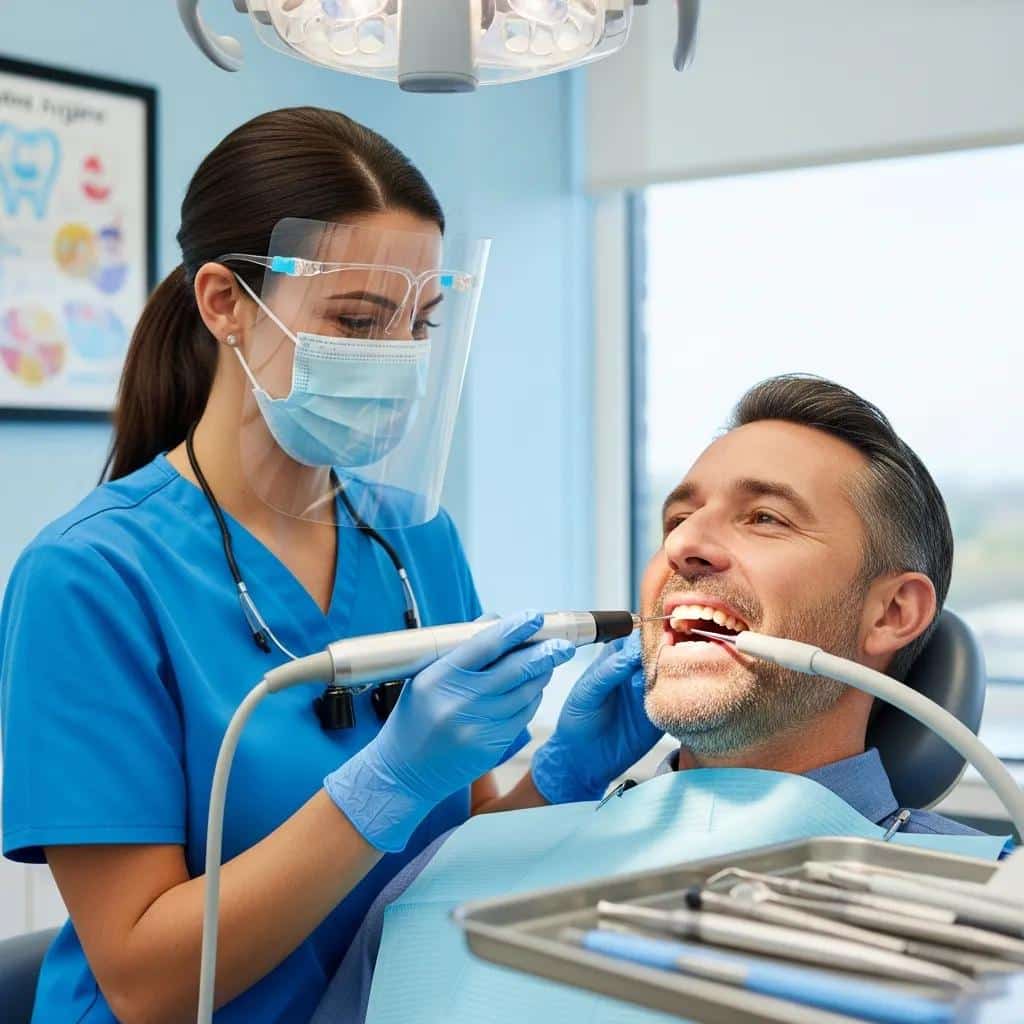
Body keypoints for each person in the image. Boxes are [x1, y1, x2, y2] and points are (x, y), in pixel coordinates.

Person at [0, 107, 661, 1024]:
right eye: (357, 320)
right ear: (224, 301)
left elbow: (456, 848)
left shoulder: (413, 542)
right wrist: (381, 783)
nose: (394, 358)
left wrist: (563, 777)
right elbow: (145, 981)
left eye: (419, 323)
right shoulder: (90, 577)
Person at [316, 373, 1000, 1024]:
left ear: (891, 614)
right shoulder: (454, 871)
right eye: (678, 517)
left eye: (764, 518)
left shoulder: (990, 910)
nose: (686, 544)